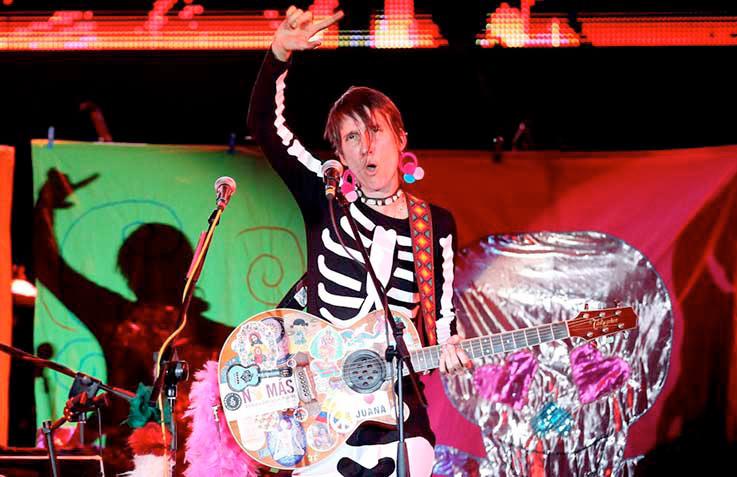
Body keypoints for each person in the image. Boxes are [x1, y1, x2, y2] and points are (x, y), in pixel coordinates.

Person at [247, 6, 471, 476]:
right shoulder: (326, 198)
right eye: (351, 137)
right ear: (341, 154)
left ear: (400, 139)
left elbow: (443, 321)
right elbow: (267, 127)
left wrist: (450, 345)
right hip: (319, 418)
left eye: (375, 131)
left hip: (398, 417)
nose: (366, 145)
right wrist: (280, 53)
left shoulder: (435, 224)